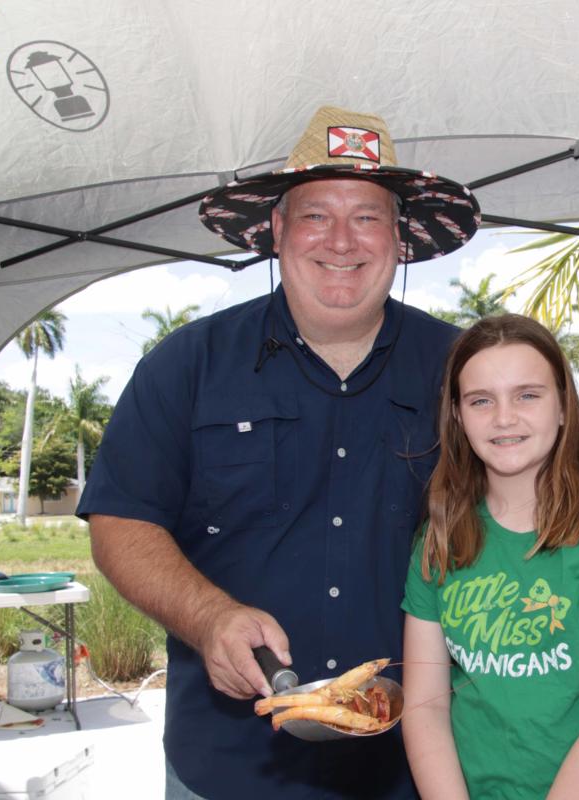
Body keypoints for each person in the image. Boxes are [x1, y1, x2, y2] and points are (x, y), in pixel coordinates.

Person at [76, 106, 480, 799]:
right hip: (227, 765)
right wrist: (209, 617)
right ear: (277, 229)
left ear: (399, 237)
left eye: (367, 216)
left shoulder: (463, 370)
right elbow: (122, 523)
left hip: (417, 766)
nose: (342, 240)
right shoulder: (187, 364)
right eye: (316, 214)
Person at [401, 314, 579, 799]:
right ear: (457, 415)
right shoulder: (439, 538)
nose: (504, 418)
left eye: (527, 395)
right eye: (481, 400)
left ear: (563, 407)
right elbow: (426, 708)